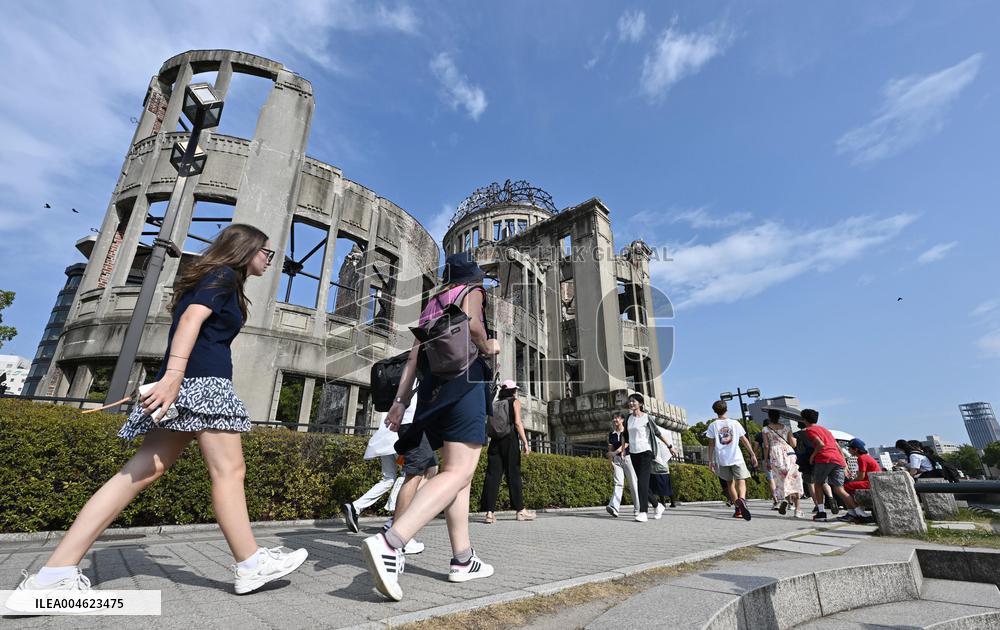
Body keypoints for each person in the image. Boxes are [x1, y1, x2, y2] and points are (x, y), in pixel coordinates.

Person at [7, 225, 308, 610]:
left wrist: (172, 379)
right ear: (246, 249)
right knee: (229, 472)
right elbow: (189, 324)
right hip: (202, 384)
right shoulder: (222, 277)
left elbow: (191, 317)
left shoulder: (214, 277)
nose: (272, 260)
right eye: (268, 252)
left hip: (188, 383)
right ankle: (251, 563)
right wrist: (173, 378)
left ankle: (53, 575)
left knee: (138, 473)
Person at [361, 252, 500, 602]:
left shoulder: (433, 302)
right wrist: (489, 346)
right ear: (472, 276)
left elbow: (412, 358)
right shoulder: (472, 291)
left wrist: (399, 402)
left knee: (457, 476)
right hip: (467, 385)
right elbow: (472, 326)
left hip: (433, 394)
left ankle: (462, 559)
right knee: (458, 472)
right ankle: (392, 542)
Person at [481, 380, 536, 523]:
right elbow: (517, 422)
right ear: (512, 391)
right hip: (510, 439)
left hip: (494, 441)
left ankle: (489, 513)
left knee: (492, 475)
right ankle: (520, 511)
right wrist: (525, 442)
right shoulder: (514, 402)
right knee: (513, 474)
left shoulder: (495, 403)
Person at [801, 408, 861, 522]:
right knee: (839, 489)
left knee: (818, 484)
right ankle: (858, 513)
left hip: (824, 459)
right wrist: (845, 464)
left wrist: (813, 456)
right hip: (838, 459)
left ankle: (821, 512)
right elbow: (838, 447)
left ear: (804, 419)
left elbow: (820, 444)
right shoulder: (825, 430)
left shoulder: (809, 430)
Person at [705, 400, 758, 521]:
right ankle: (742, 499)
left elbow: (711, 444)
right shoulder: (735, 423)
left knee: (730, 484)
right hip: (736, 457)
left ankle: (738, 509)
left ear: (715, 411)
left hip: (723, 459)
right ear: (726, 409)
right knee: (741, 481)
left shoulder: (713, 425)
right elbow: (744, 440)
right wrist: (752, 454)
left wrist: (710, 461)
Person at [624, 393, 668, 522]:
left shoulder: (647, 418)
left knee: (641, 483)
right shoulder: (628, 418)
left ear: (641, 404)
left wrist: (670, 446)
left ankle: (643, 512)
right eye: (630, 401)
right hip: (633, 452)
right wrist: (623, 450)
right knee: (641, 483)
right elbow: (625, 436)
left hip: (645, 452)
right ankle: (657, 505)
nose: (631, 403)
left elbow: (657, 433)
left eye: (634, 401)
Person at [761, 410, 804, 518]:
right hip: (789, 453)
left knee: (780, 480)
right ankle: (797, 510)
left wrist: (766, 460)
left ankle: (784, 498)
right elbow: (793, 444)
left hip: (776, 454)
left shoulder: (765, 429)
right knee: (795, 479)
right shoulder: (786, 428)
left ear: (769, 417)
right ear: (779, 417)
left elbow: (766, 446)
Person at [607, 412, 639, 518]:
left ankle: (637, 509)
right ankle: (614, 507)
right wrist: (611, 460)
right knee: (618, 483)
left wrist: (615, 452)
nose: (615, 420)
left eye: (617, 418)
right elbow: (610, 449)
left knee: (633, 484)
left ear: (622, 420)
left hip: (628, 458)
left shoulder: (627, 431)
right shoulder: (611, 434)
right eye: (614, 418)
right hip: (616, 461)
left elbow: (625, 445)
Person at [842, 438, 880, 523]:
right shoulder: (866, 457)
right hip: (872, 481)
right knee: (848, 486)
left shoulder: (861, 458)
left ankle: (853, 512)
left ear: (855, 449)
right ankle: (854, 511)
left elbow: (861, 477)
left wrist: (851, 481)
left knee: (844, 488)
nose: (848, 450)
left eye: (849, 448)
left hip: (869, 482)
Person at [649, 430, 679, 513]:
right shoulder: (665, 447)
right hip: (665, 469)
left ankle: (663, 502)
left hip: (656, 469)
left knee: (660, 487)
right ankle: (672, 502)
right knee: (667, 486)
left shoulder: (654, 446)